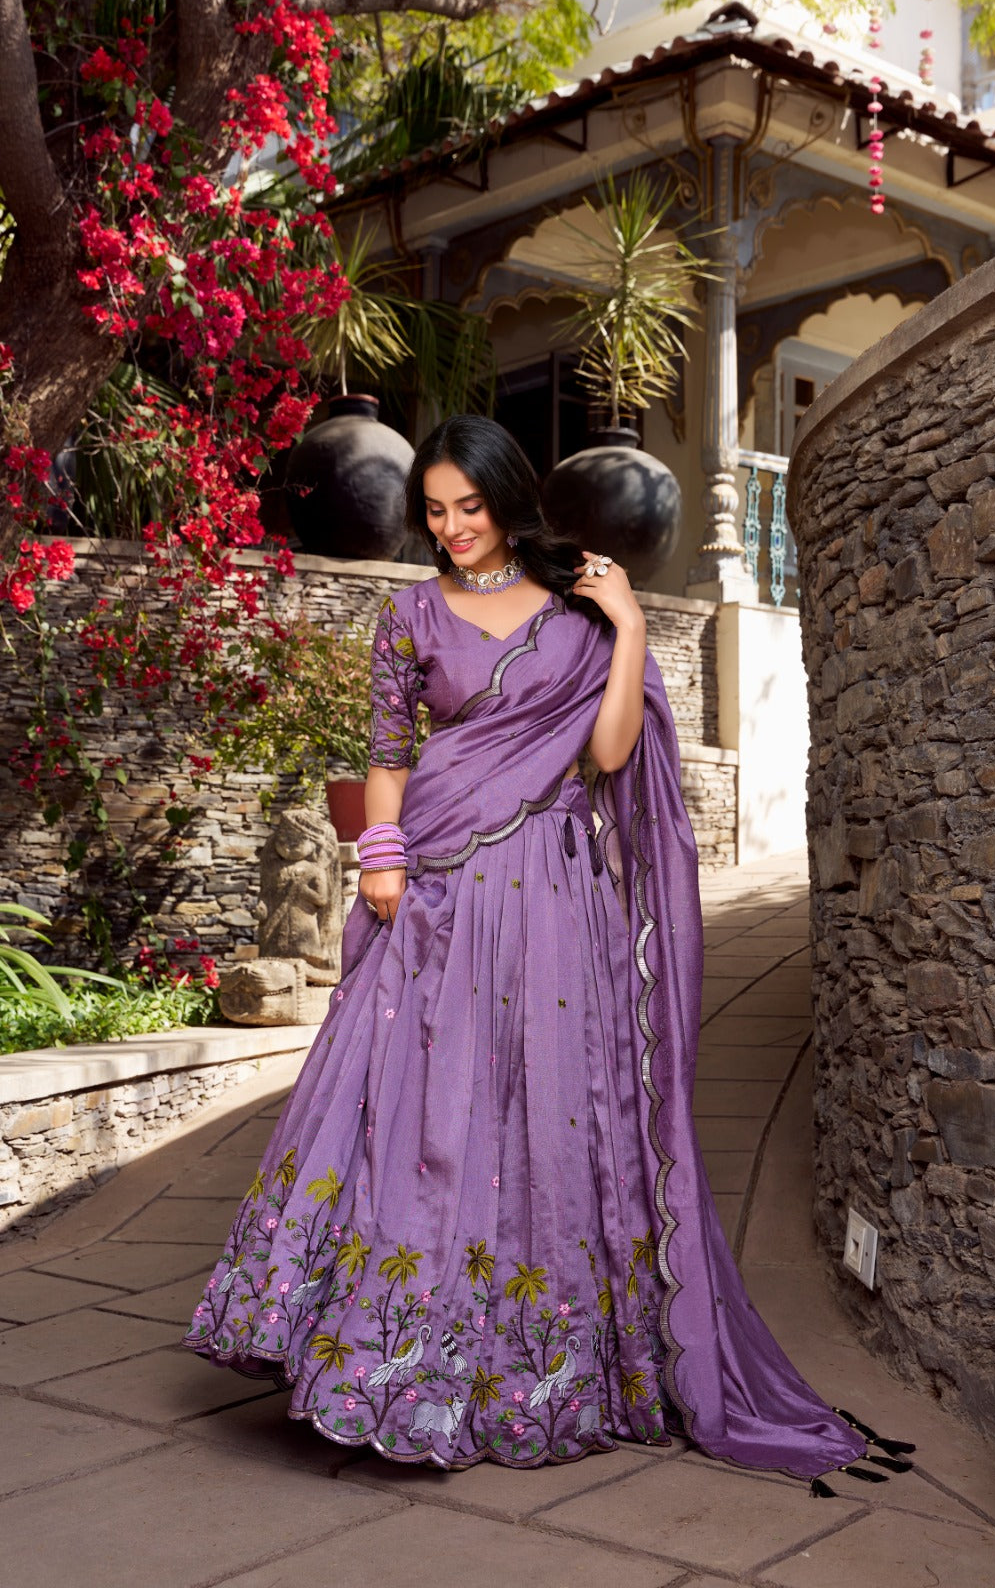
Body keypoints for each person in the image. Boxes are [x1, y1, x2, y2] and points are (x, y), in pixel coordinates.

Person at [183, 415, 909, 1489]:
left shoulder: (576, 613)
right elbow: (387, 755)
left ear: (507, 498)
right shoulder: (410, 615)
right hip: (437, 882)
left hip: (553, 893)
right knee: (419, 1108)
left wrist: (627, 624)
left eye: (469, 507)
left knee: (547, 1103)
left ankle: (531, 1367)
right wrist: (380, 856)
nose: (452, 528)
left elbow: (610, 750)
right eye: (435, 511)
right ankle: (379, 1357)